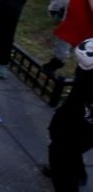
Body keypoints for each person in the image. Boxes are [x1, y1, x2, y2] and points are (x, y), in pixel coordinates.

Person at [44, 38, 93, 191]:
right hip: (74, 110)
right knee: (64, 143)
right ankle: (78, 173)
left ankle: (66, 176)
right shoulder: (86, 70)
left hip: (84, 123)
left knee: (63, 154)